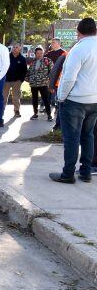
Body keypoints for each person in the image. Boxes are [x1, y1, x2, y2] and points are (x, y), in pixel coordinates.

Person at [50, 17, 97, 183]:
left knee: (72, 138)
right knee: (88, 136)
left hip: (75, 101)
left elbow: (69, 78)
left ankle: (68, 174)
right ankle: (85, 172)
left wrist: (61, 97)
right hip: (94, 101)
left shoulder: (78, 49)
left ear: (78, 32)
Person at [26, 46, 53, 121]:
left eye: (41, 53)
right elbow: (28, 72)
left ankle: (49, 115)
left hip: (43, 84)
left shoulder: (47, 61)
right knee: (34, 99)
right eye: (37, 53)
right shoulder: (32, 62)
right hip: (34, 84)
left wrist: (50, 82)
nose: (39, 54)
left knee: (46, 100)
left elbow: (52, 72)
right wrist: (28, 79)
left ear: (43, 53)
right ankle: (35, 114)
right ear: (35, 54)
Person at [4, 42, 27, 118]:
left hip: (17, 81)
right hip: (6, 81)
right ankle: (1, 111)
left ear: (20, 49)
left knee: (16, 98)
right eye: (13, 47)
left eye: (16, 47)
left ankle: (16, 111)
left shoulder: (22, 59)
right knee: (3, 97)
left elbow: (24, 71)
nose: (14, 48)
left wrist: (21, 80)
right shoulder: (6, 57)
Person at [49, 51, 68, 131]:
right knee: (62, 106)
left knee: (62, 106)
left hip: (61, 85)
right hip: (61, 85)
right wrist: (52, 85)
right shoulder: (65, 56)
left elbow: (54, 70)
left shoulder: (64, 55)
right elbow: (55, 70)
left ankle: (59, 127)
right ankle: (59, 126)